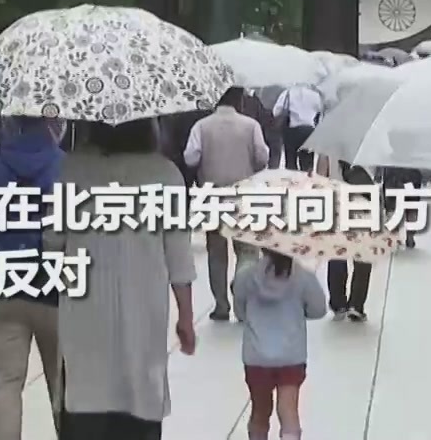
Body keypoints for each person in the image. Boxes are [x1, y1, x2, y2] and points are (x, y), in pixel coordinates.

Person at [45, 118, 196, 440]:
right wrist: (186, 316)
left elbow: (52, 241)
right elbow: (179, 255)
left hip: (85, 306)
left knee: (87, 391)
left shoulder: (72, 171)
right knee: (140, 392)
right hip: (144, 305)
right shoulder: (165, 174)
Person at [0, 115, 65, 440]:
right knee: (62, 382)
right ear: (55, 122)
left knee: (6, 380)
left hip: (4, 286)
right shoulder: (67, 167)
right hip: (56, 291)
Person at [185, 86, 270, 321]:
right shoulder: (250, 125)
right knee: (247, 250)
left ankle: (221, 305)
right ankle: (242, 298)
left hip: (212, 195)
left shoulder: (201, 126)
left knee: (216, 252)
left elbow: (190, 157)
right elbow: (263, 157)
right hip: (244, 194)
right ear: (239, 100)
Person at [232, 249, 328, 440]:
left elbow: (240, 311)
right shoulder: (303, 277)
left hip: (256, 356)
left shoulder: (246, 276)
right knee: (289, 410)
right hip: (291, 356)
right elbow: (319, 310)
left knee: (259, 412)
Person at [315, 154, 376, 320]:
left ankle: (338, 302)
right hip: (363, 205)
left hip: (337, 204)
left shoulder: (329, 149)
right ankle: (356, 304)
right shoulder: (371, 146)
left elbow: (320, 180)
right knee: (363, 256)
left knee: (337, 254)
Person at [274, 84, 324, 172]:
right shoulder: (315, 95)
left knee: (290, 163)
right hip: (309, 131)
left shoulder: (288, 93)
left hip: (292, 131)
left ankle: (292, 183)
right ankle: (306, 183)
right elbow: (321, 111)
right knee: (307, 163)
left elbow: (276, 111)